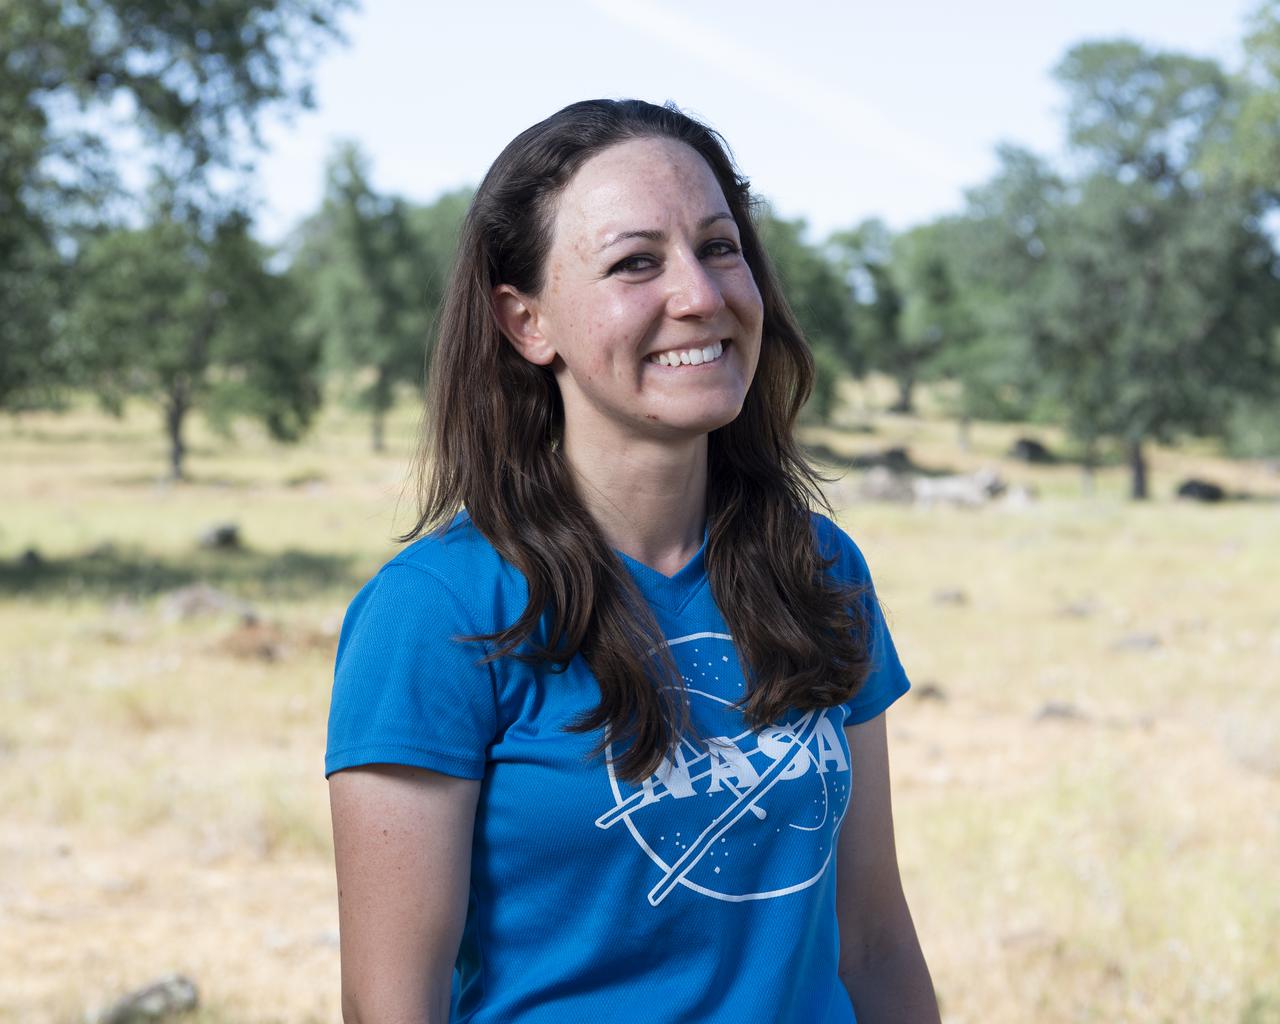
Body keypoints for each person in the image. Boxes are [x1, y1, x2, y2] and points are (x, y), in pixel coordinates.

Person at [325, 98, 939, 1024]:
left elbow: (876, 940)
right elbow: (389, 1009)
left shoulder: (819, 567)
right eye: (635, 262)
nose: (699, 295)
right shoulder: (436, 611)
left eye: (720, 247)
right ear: (527, 321)